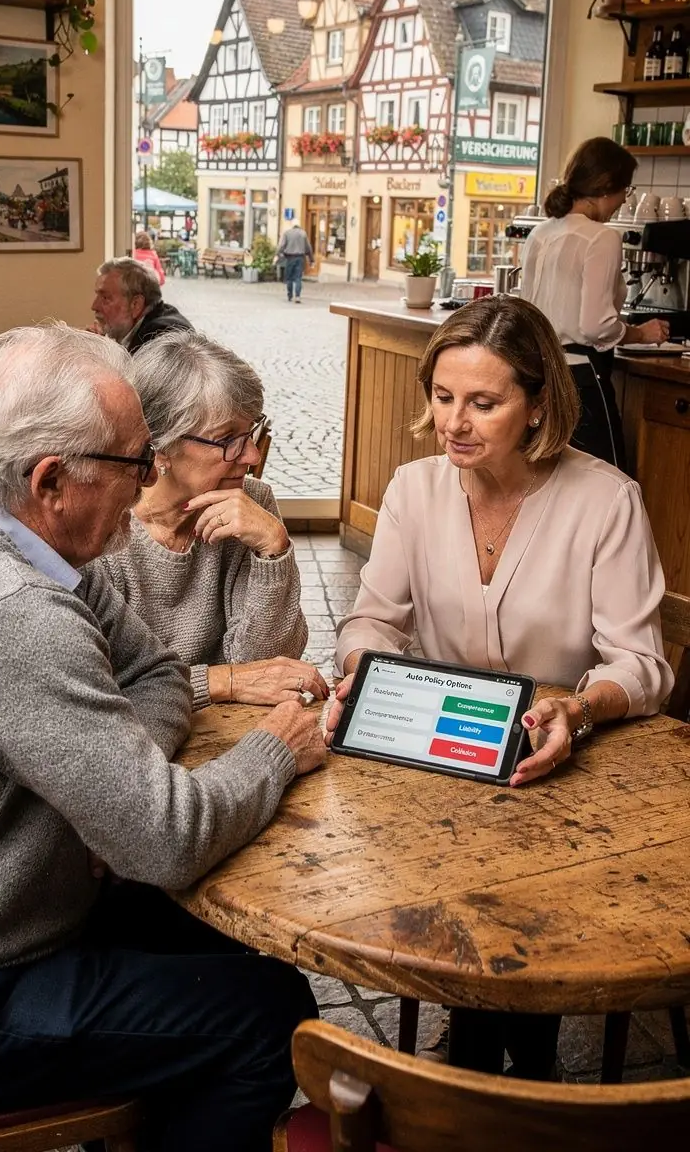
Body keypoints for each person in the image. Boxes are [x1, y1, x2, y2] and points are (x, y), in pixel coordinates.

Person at [0, 323, 325, 1152]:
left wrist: (117, 769)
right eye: (132, 462)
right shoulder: (12, 612)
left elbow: (153, 673)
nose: (147, 480)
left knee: (229, 950)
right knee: (268, 1016)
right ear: (52, 480)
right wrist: (279, 748)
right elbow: (168, 839)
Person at [327, 295, 672, 1080]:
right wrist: (361, 671)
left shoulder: (605, 500)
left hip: (563, 776)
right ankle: (499, 1072)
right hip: (441, 767)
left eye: (484, 403)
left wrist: (577, 708)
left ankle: (486, 1073)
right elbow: (372, 622)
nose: (455, 422)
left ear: (539, 402)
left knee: (517, 927)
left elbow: (643, 665)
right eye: (443, 398)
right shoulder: (414, 490)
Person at [101, 330, 326, 709]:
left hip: (230, 730)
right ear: (159, 447)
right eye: (227, 440)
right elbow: (105, 689)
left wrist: (274, 550)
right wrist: (224, 681)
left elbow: (271, 666)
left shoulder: (251, 504)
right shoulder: (104, 533)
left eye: (251, 431)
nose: (253, 455)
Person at [521, 137, 670, 470]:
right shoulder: (602, 237)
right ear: (607, 188)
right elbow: (595, 326)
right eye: (625, 190)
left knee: (545, 482)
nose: (621, 201)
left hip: (539, 375)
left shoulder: (540, 233)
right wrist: (642, 334)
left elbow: (526, 311)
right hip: (582, 380)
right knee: (608, 485)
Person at [92, 256, 191, 353]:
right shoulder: (146, 325)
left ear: (136, 304)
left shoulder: (161, 338)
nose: (94, 306)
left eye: (105, 298)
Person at [276, 221, 313, 303]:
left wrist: (278, 254)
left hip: (290, 258)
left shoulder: (287, 233)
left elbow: (281, 245)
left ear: (292, 226)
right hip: (300, 258)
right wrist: (311, 259)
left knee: (289, 277)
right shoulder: (303, 233)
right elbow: (308, 247)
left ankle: (290, 295)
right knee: (298, 278)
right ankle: (298, 296)